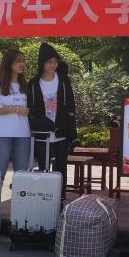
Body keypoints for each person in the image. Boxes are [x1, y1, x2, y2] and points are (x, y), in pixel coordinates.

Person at [28, 43, 77, 189]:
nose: (53, 65)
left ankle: (60, 196)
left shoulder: (63, 80)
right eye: (49, 62)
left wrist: (71, 128)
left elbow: (71, 104)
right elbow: (31, 109)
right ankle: (44, 195)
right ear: (42, 63)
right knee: (43, 167)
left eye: (55, 61)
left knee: (61, 167)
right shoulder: (33, 83)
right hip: (42, 132)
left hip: (61, 130)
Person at [0, 50, 32, 192]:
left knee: (22, 174)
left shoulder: (25, 85)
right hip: (2, 134)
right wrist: (16, 109)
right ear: (9, 63)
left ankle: (20, 204)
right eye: (18, 61)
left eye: (23, 60)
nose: (22, 64)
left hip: (23, 133)